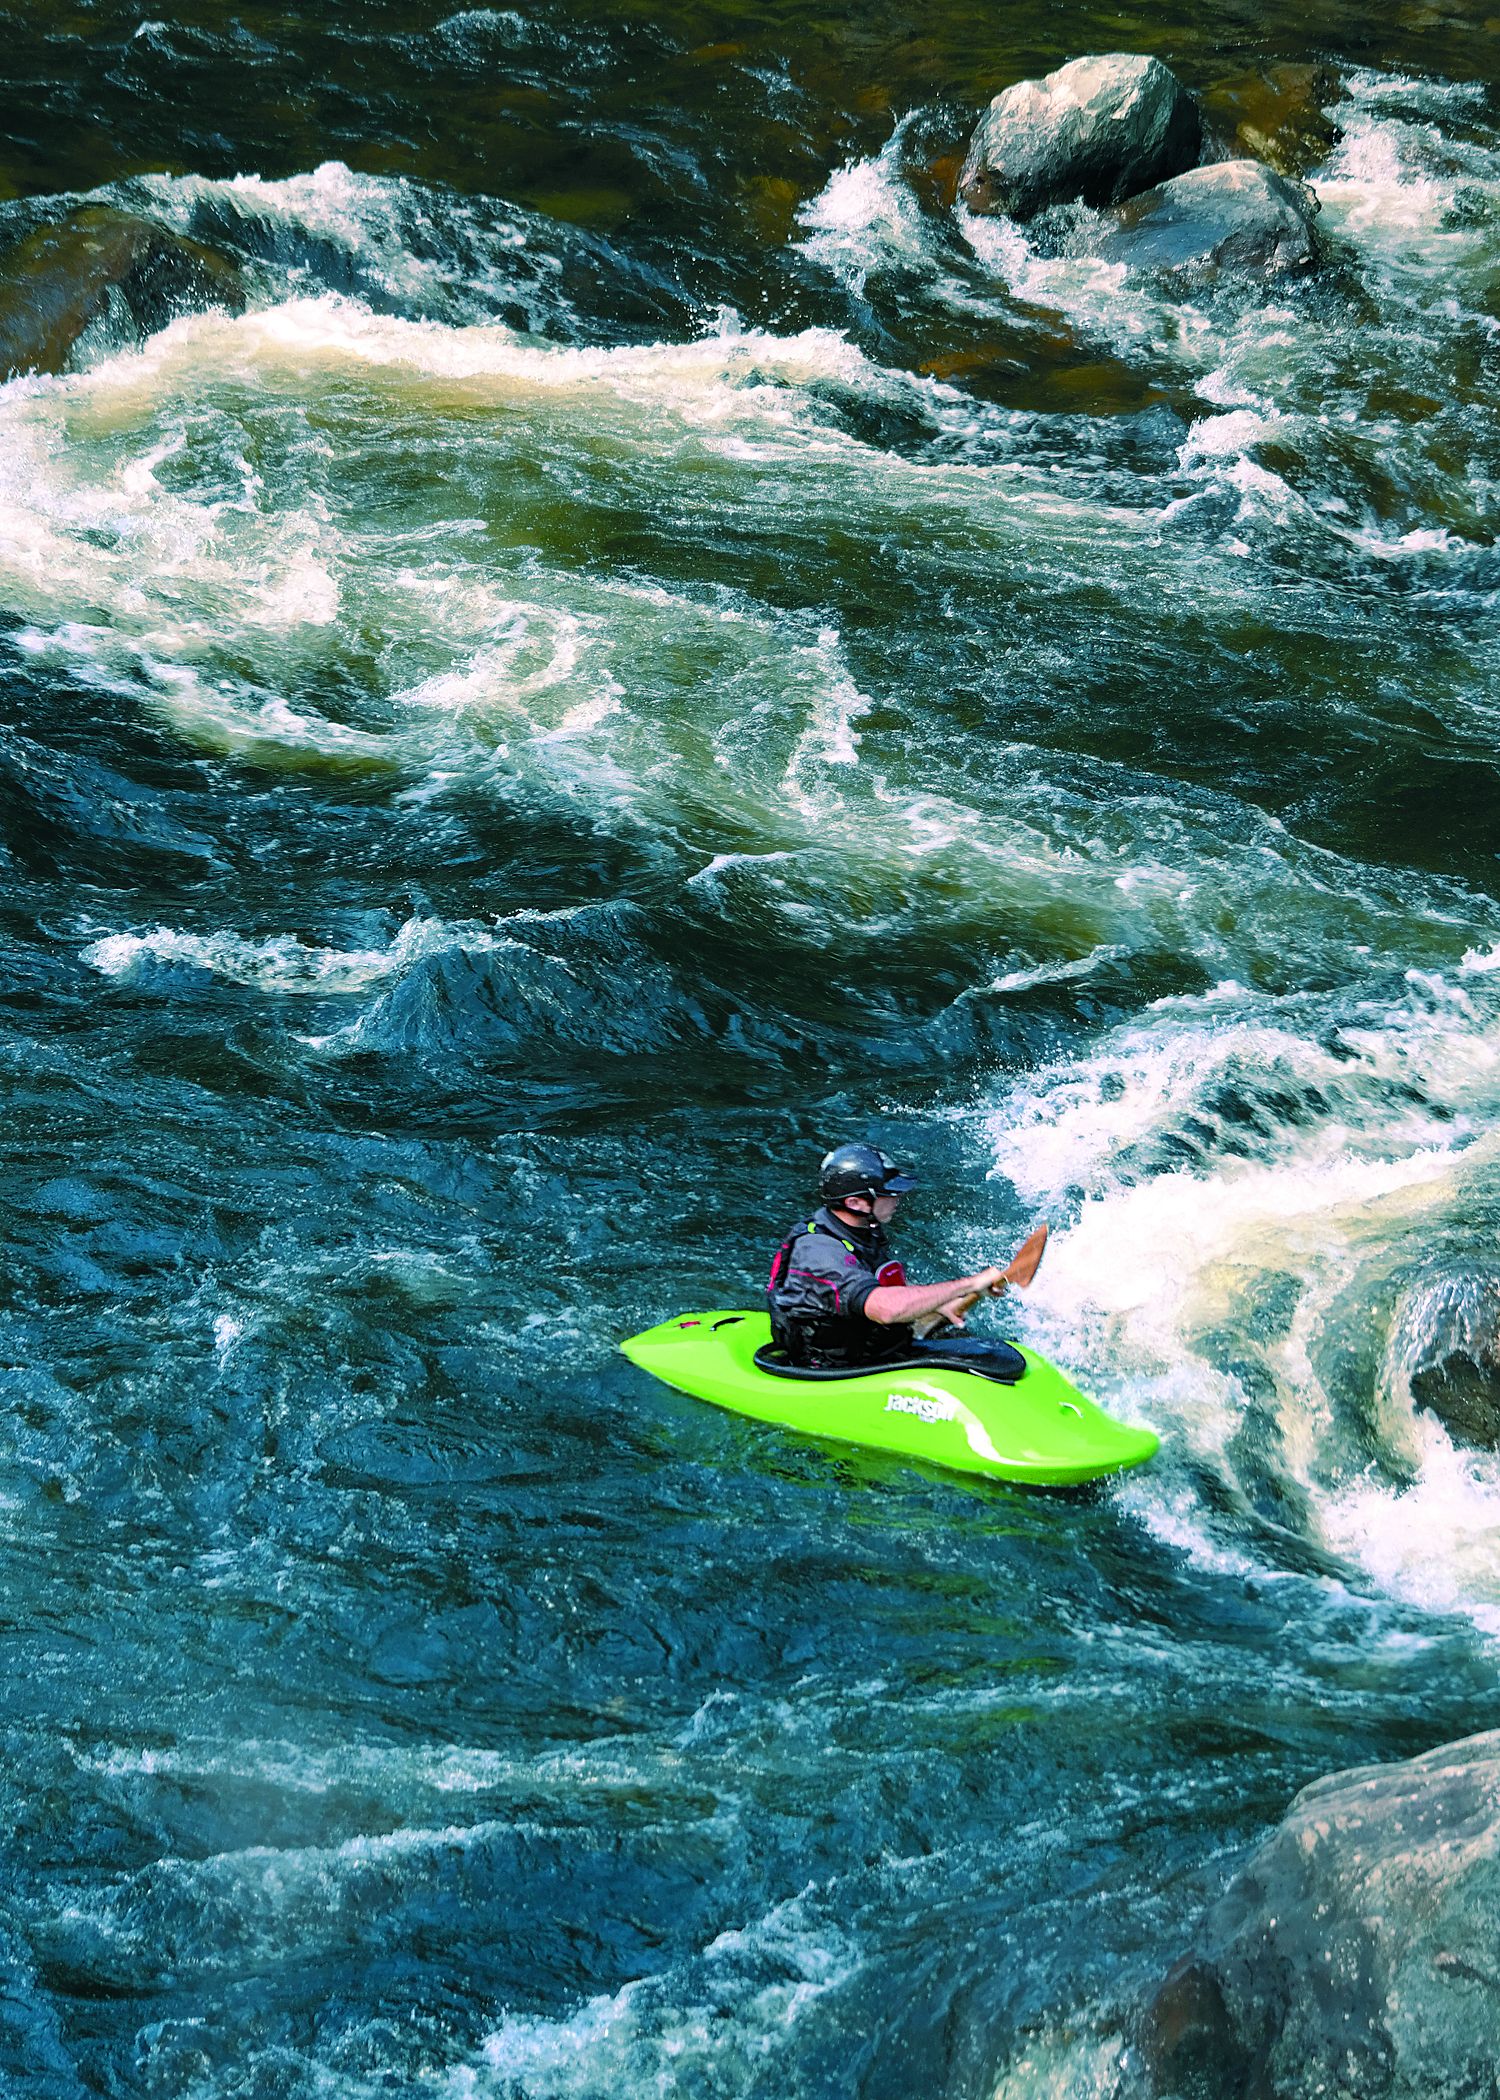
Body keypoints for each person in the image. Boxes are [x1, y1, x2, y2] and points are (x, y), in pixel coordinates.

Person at [766, 1142, 1027, 1381]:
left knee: (983, 1349)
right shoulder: (820, 1252)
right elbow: (886, 1308)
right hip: (833, 1368)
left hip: (870, 1345)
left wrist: (940, 1305)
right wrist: (970, 1284)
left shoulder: (863, 1229)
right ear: (855, 1202)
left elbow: (881, 1288)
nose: (897, 1198)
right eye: (887, 1193)